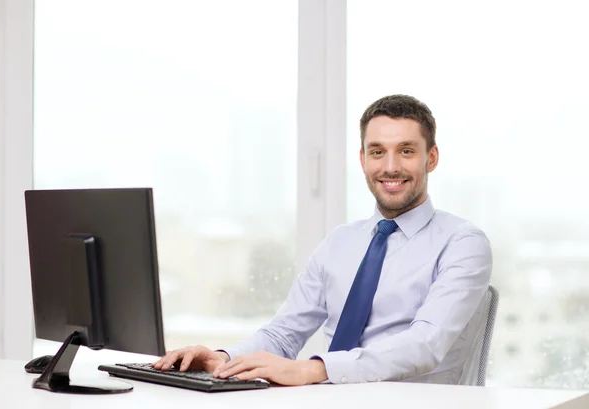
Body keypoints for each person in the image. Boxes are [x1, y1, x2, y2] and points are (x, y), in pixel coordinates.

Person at [153, 94, 492, 385]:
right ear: (362, 160)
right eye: (377, 152)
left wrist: (313, 369)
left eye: (406, 151)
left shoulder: (463, 243)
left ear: (431, 157)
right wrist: (221, 357)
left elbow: (425, 344)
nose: (390, 167)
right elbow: (284, 334)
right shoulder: (339, 243)